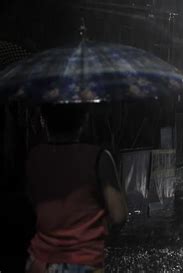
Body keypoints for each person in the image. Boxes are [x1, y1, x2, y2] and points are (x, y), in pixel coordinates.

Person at [25, 104, 128, 273]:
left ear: (44, 120)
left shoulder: (34, 157)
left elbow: (33, 205)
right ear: (84, 120)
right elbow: (119, 216)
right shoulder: (99, 158)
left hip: (40, 263)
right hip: (84, 263)